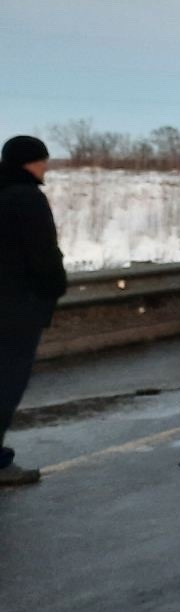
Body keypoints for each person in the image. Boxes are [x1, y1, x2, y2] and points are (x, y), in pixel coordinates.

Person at [0, 136, 67, 486]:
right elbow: (43, 255)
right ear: (28, 162)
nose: (45, 166)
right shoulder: (27, 198)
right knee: (6, 383)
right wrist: (56, 287)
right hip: (16, 307)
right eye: (42, 160)